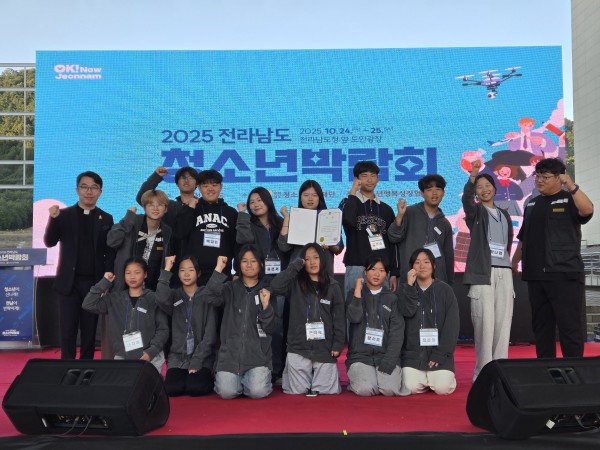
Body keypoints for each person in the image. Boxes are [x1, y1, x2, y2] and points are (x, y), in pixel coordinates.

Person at [512, 158, 594, 358]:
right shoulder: (532, 203)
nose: (540, 181)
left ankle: (573, 370)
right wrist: (514, 262)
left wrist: (572, 186)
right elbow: (523, 237)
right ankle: (546, 368)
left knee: (569, 327)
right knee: (541, 328)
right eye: (537, 176)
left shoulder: (569, 199)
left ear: (560, 178)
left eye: (545, 177)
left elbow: (587, 210)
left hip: (564, 274)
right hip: (536, 275)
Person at [43, 171, 115, 360]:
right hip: (69, 283)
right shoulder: (63, 215)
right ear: (77, 190)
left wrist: (106, 282)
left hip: (94, 284)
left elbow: (110, 252)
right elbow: (49, 242)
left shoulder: (106, 218)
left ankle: (87, 367)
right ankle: (66, 367)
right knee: (68, 330)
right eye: (84, 187)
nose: (89, 191)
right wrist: (53, 219)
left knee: (90, 331)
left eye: (94, 187)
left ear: (100, 192)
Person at [270, 243, 345, 395]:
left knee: (326, 393)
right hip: (298, 347)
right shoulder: (294, 284)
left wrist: (337, 344)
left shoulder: (333, 286)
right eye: (307, 259)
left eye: (316, 258)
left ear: (322, 259)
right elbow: (275, 286)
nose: (312, 262)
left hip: (324, 349)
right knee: (297, 392)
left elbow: (339, 318)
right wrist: (296, 265)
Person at [463, 161, 514, 381]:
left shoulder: (504, 214)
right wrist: (473, 175)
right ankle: (483, 374)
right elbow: (467, 199)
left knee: (503, 322)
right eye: (479, 187)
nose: (484, 189)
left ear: (494, 188)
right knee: (485, 323)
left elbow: (507, 243)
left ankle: (500, 371)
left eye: (487, 185)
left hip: (505, 271)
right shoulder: (475, 212)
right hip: (483, 273)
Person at [204, 246, 276, 399]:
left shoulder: (267, 291)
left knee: (258, 392)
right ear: (238, 264)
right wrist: (218, 269)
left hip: (258, 358)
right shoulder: (229, 288)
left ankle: (248, 381)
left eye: (253, 261)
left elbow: (271, 328)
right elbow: (209, 297)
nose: (249, 265)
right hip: (230, 357)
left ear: (261, 264)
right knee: (226, 392)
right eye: (244, 261)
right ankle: (241, 382)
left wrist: (266, 307)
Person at [236, 187, 288, 381]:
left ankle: (277, 369)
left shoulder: (280, 223)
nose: (255, 205)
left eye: (259, 200)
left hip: (280, 283)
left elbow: (286, 247)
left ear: (268, 201)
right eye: (252, 202)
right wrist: (242, 214)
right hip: (257, 283)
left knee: (278, 328)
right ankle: (260, 367)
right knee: (258, 327)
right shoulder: (248, 224)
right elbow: (243, 241)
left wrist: (287, 218)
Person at [82, 257, 169, 372]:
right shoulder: (115, 299)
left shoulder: (154, 299)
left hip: (150, 357)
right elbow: (88, 304)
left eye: (137, 272)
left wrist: (151, 351)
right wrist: (104, 282)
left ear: (145, 274)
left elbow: (163, 330)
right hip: (123, 357)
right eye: (128, 273)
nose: (132, 277)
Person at [397, 248, 459, 395]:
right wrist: (409, 287)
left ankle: (432, 380)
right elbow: (407, 312)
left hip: (439, 354)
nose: (422, 266)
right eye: (417, 262)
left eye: (426, 262)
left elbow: (452, 326)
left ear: (434, 265)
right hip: (413, 356)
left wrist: (440, 353)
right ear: (412, 267)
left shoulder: (445, 290)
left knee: (442, 388)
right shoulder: (405, 290)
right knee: (410, 387)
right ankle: (425, 380)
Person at [156, 255, 217, 396]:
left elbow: (210, 335)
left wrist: (197, 360)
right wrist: (167, 269)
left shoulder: (207, 296)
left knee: (196, 388)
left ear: (198, 273)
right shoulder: (174, 295)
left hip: (202, 357)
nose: (187, 274)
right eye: (182, 270)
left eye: (191, 270)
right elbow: (160, 298)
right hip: (178, 357)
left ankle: (210, 375)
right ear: (177, 273)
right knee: (172, 389)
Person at [346, 255, 405, 396]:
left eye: (382, 270)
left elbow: (397, 333)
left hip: (384, 356)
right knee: (365, 389)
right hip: (360, 357)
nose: (377, 274)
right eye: (372, 269)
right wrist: (357, 292)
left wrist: (390, 360)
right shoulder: (353, 294)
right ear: (365, 272)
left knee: (389, 390)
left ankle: (379, 377)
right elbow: (354, 317)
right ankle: (359, 380)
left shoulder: (392, 298)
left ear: (387, 274)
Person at [341, 161, 397, 296]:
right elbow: (348, 222)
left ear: (378, 179)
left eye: (373, 176)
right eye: (364, 176)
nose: (369, 180)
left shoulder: (386, 209)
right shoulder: (349, 203)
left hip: (381, 269)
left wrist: (394, 272)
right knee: (354, 306)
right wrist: (353, 192)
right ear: (357, 179)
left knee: (382, 307)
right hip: (357, 266)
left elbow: (392, 244)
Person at [388, 174, 454, 285]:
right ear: (422, 193)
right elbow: (393, 237)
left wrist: (449, 284)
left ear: (443, 193)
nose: (434, 193)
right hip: (411, 276)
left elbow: (449, 256)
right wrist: (400, 216)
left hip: (437, 279)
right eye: (429, 190)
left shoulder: (444, 223)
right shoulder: (409, 212)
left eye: (438, 189)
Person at [175, 169, 237, 286]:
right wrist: (189, 209)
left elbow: (237, 244)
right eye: (205, 186)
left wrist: (237, 271)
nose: (210, 189)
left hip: (223, 272)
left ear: (221, 187)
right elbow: (179, 233)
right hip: (195, 274)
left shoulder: (231, 212)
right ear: (198, 188)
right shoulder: (191, 209)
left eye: (214, 185)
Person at [107, 189, 172, 292]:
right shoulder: (132, 221)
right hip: (123, 288)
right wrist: (127, 221)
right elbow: (112, 242)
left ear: (166, 209)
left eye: (160, 204)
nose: (155, 208)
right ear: (144, 207)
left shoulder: (167, 231)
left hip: (151, 290)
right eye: (151, 204)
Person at [278, 180, 343, 277]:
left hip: (323, 275)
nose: (310, 199)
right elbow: (283, 246)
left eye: (314, 195)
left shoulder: (330, 217)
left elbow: (338, 249)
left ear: (320, 198)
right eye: (306, 195)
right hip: (298, 275)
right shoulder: (295, 217)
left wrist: (329, 243)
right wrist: (287, 218)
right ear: (300, 198)